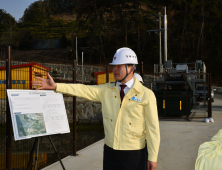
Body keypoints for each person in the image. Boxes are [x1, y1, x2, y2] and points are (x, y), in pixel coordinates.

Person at [32, 47, 160, 170]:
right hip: (111, 153)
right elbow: (83, 89)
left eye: (119, 66)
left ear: (131, 67)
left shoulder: (146, 95)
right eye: (113, 66)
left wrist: (153, 157)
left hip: (134, 154)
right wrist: (56, 87)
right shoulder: (107, 90)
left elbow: (153, 129)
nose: (114, 69)